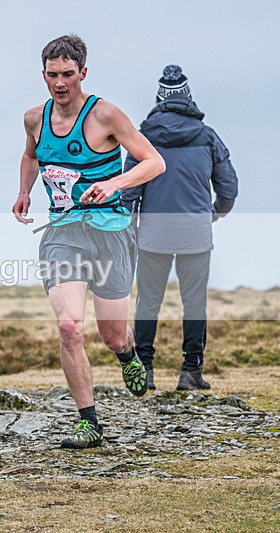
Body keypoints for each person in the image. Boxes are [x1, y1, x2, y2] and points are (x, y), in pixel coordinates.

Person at [12, 35, 165, 449]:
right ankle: (88, 420)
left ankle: (127, 355)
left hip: (110, 232)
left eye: (67, 74)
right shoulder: (34, 118)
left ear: (83, 72)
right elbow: (30, 156)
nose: (59, 83)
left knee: (112, 335)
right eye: (51, 75)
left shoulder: (106, 115)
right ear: (43, 74)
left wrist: (113, 182)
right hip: (62, 232)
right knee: (68, 326)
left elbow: (154, 161)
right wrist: (25, 191)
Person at [122, 65, 238, 391]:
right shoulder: (208, 137)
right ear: (188, 96)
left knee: (147, 302)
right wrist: (214, 213)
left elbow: (129, 192)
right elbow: (229, 188)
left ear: (160, 98)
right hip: (196, 234)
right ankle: (191, 372)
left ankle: (144, 370)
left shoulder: (142, 138)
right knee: (195, 303)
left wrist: (130, 229)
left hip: (152, 235)